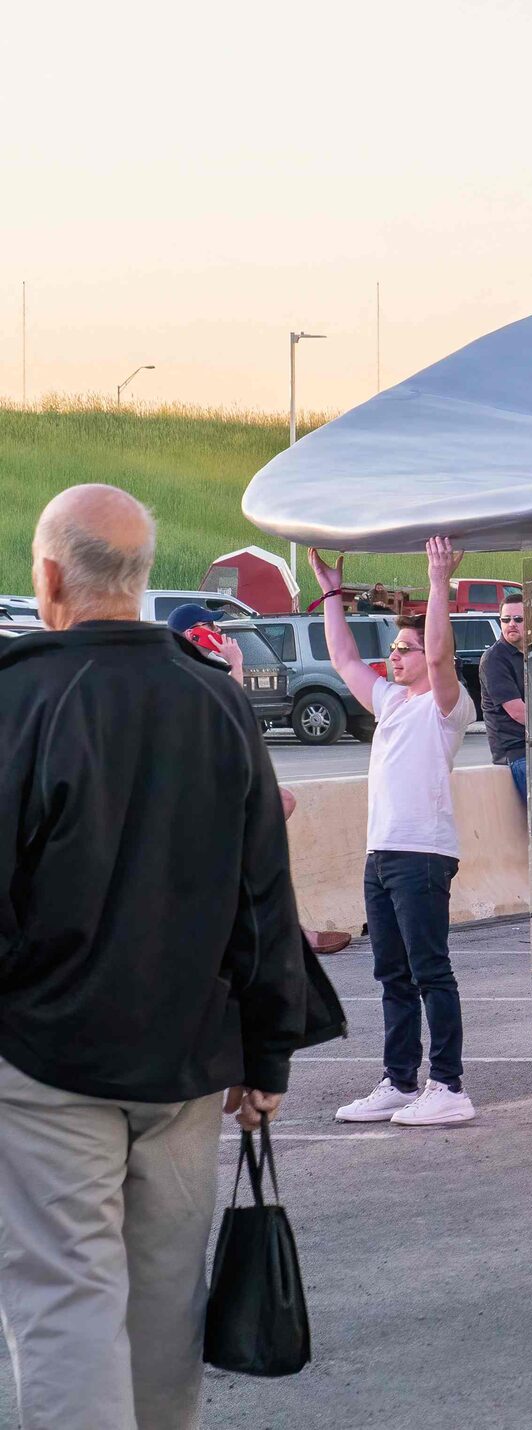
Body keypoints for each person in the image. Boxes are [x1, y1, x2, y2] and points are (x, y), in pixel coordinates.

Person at [0, 486, 330, 1430]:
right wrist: (268, 1056)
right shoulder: (217, 700)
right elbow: (263, 895)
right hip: (189, 1061)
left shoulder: (17, 699)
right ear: (141, 583)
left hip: (43, 1059)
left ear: (51, 576)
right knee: (163, 1312)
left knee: (67, 1302)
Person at [314, 536, 484, 1128]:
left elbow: (440, 656)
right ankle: (399, 1080)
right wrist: (332, 593)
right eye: (393, 648)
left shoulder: (447, 706)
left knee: (430, 968)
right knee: (393, 973)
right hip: (381, 854)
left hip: (422, 854)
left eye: (404, 648)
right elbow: (342, 660)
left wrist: (438, 584)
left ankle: (449, 1086)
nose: (396, 657)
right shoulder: (389, 703)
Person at [481, 588, 531, 819]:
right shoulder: (494, 658)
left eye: (518, 619)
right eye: (505, 619)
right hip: (516, 755)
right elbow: (519, 712)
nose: (511, 624)